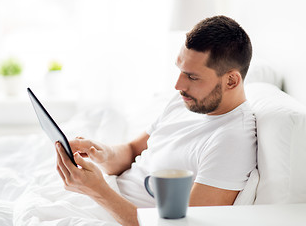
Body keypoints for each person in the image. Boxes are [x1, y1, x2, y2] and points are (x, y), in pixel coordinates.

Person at [54, 15, 256, 226]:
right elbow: (134, 151)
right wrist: (102, 154)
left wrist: (97, 190)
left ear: (231, 80)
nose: (178, 85)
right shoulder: (187, 102)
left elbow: (185, 225)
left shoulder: (231, 141)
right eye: (180, 70)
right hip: (106, 199)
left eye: (192, 77)